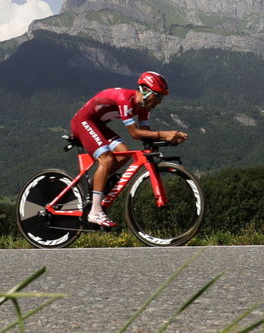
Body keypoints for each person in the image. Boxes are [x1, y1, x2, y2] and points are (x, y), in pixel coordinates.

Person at [69, 71, 188, 228]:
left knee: (123, 154)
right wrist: (164, 134)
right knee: (107, 159)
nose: (159, 101)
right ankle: (95, 211)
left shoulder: (144, 107)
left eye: (162, 98)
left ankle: (93, 184)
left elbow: (146, 133)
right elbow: (135, 133)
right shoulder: (126, 100)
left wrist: (169, 139)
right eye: (158, 96)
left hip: (98, 125)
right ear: (145, 91)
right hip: (83, 122)